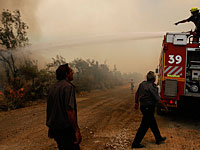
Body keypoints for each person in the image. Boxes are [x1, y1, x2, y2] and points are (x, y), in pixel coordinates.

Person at [46, 64, 82, 150]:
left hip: (55, 129)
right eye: (71, 71)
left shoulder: (52, 88)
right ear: (66, 74)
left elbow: (50, 109)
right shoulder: (68, 87)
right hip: (66, 130)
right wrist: (76, 130)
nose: (73, 72)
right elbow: (70, 111)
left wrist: (50, 127)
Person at [131, 71, 168, 149]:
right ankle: (135, 144)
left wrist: (136, 103)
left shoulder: (142, 84)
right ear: (154, 78)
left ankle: (158, 138)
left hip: (143, 107)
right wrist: (164, 107)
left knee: (152, 123)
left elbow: (137, 94)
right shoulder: (152, 87)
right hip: (149, 108)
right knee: (144, 126)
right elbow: (158, 99)